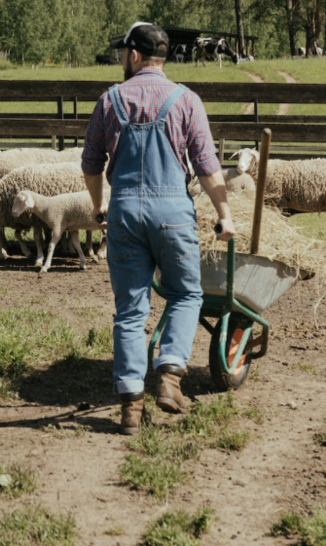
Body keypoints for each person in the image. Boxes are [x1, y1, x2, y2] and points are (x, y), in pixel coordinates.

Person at [82, 22, 235, 435]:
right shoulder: (186, 100)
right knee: (186, 293)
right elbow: (207, 166)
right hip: (172, 212)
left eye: (123, 53)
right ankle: (169, 375)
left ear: (134, 55)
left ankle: (131, 406)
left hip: (124, 211)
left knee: (131, 310)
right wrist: (225, 214)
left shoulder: (110, 100)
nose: (121, 59)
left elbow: (91, 163)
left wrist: (99, 205)